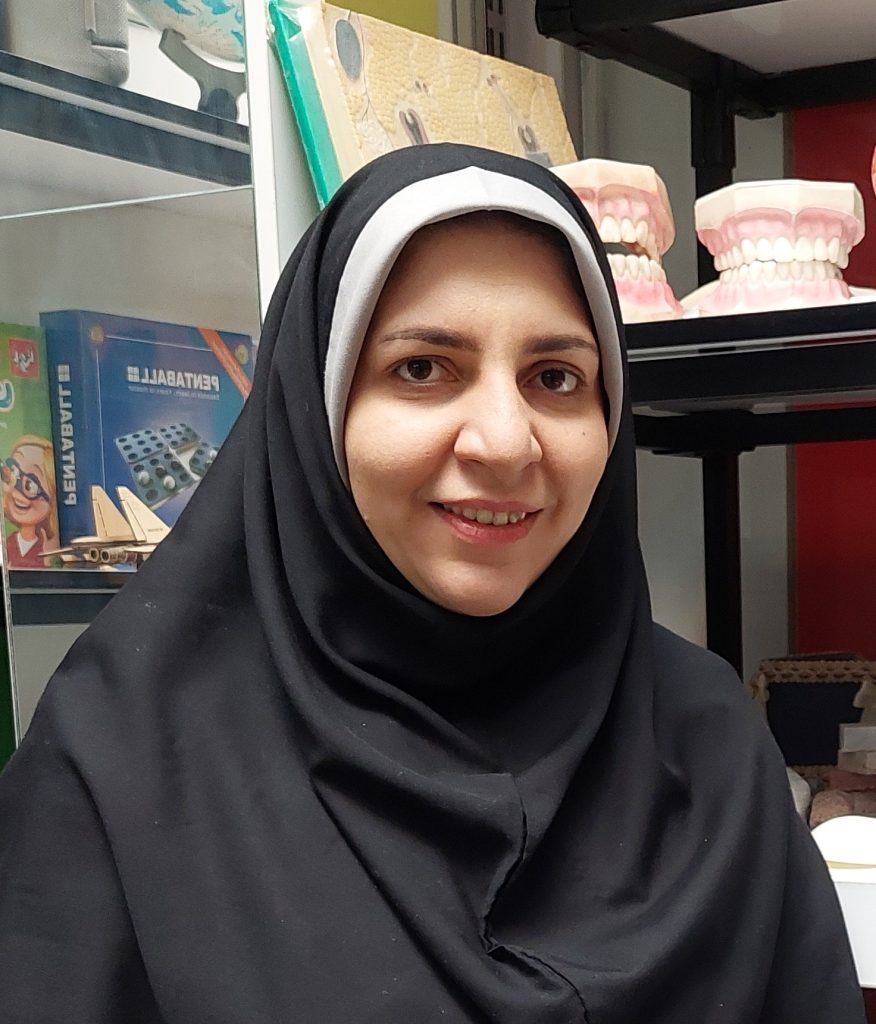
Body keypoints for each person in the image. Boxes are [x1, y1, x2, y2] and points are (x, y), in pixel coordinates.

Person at [0, 145, 865, 1023]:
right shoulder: (128, 752)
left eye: (556, 378)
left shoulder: (704, 736)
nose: (504, 441)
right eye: (422, 367)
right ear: (317, 404)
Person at [1, 435, 59, 569]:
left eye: (31, 485)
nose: (17, 492)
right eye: (13, 472)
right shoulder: (8, 543)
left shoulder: (46, 548)